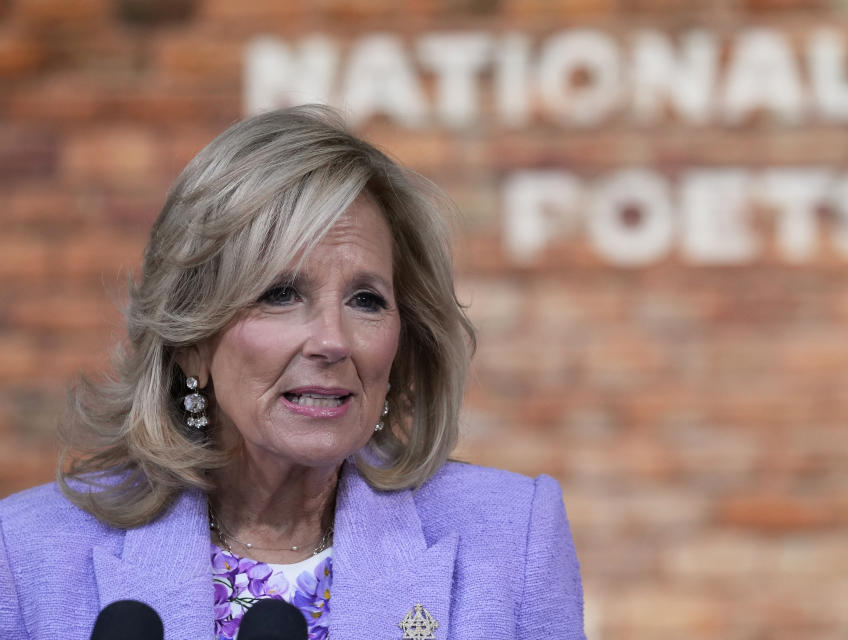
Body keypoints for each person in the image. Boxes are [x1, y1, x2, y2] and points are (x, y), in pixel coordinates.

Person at [0, 105, 584, 639]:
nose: (332, 340)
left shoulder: (514, 540)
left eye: (366, 300)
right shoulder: (25, 555)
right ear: (191, 341)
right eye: (280, 293)